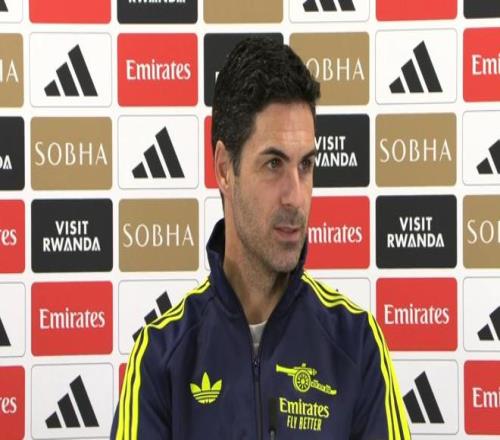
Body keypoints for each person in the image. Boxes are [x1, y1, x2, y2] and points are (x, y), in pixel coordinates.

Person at [111, 37, 411, 439]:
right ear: (224, 169)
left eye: (305, 165)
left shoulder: (356, 344)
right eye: (273, 164)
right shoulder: (160, 356)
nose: (295, 196)